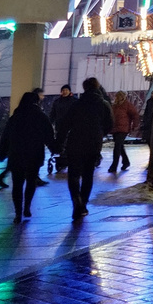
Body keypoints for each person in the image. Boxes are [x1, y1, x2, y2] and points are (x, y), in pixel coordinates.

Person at [57, 78, 113, 221]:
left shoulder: (77, 104)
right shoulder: (104, 105)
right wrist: (100, 133)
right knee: (88, 174)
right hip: (93, 143)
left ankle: (76, 201)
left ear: (84, 88)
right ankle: (84, 203)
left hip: (75, 141)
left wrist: (59, 143)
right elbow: (110, 124)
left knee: (74, 174)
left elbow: (65, 125)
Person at [0, 91, 55, 223]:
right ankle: (27, 207)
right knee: (31, 182)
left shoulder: (15, 117)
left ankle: (18, 213)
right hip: (34, 154)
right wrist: (54, 148)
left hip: (16, 154)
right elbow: (48, 135)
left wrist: (3, 152)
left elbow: (6, 136)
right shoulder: (40, 116)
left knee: (17, 184)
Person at [48, 85, 76, 174]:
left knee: (70, 143)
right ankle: (63, 159)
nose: (64, 92)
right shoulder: (57, 101)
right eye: (63, 90)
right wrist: (50, 122)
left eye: (66, 90)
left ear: (69, 91)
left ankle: (69, 158)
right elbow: (53, 113)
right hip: (59, 126)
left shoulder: (74, 101)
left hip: (71, 126)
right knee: (61, 143)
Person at [109, 91, 139, 173]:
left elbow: (135, 115)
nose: (117, 98)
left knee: (117, 147)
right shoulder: (114, 106)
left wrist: (134, 125)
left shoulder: (127, 105)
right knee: (120, 146)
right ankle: (126, 162)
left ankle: (114, 166)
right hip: (115, 128)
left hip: (123, 129)